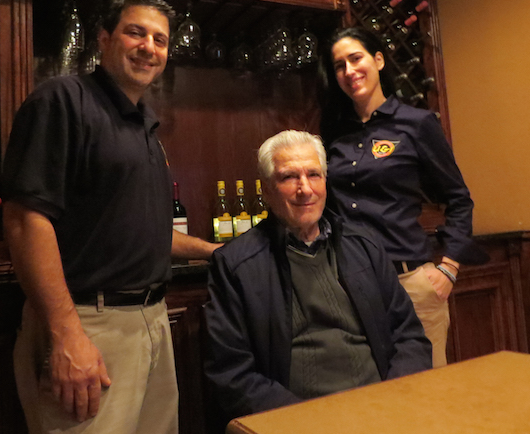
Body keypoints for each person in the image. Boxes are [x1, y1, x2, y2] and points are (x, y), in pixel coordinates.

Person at [2, 0, 218, 434]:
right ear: (104, 39)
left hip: (152, 320)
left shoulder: (144, 123)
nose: (148, 47)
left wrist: (214, 251)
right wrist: (67, 335)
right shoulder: (63, 100)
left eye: (159, 40)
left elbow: (144, 232)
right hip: (88, 325)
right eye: (135, 32)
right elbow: (26, 220)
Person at [204, 130, 431, 423]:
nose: (305, 189)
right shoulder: (236, 266)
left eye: (314, 174)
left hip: (382, 410)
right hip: (297, 421)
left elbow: (409, 336)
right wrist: (308, 419)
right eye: (289, 177)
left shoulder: (365, 247)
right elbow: (231, 374)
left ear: (326, 182)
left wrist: (394, 396)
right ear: (268, 190)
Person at [322, 26, 485, 368]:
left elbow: (459, 198)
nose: (349, 71)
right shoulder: (334, 131)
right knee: (368, 392)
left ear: (378, 60)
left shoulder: (417, 123)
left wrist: (450, 268)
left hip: (410, 281)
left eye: (356, 58)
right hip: (350, 284)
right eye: (339, 66)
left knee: (426, 395)